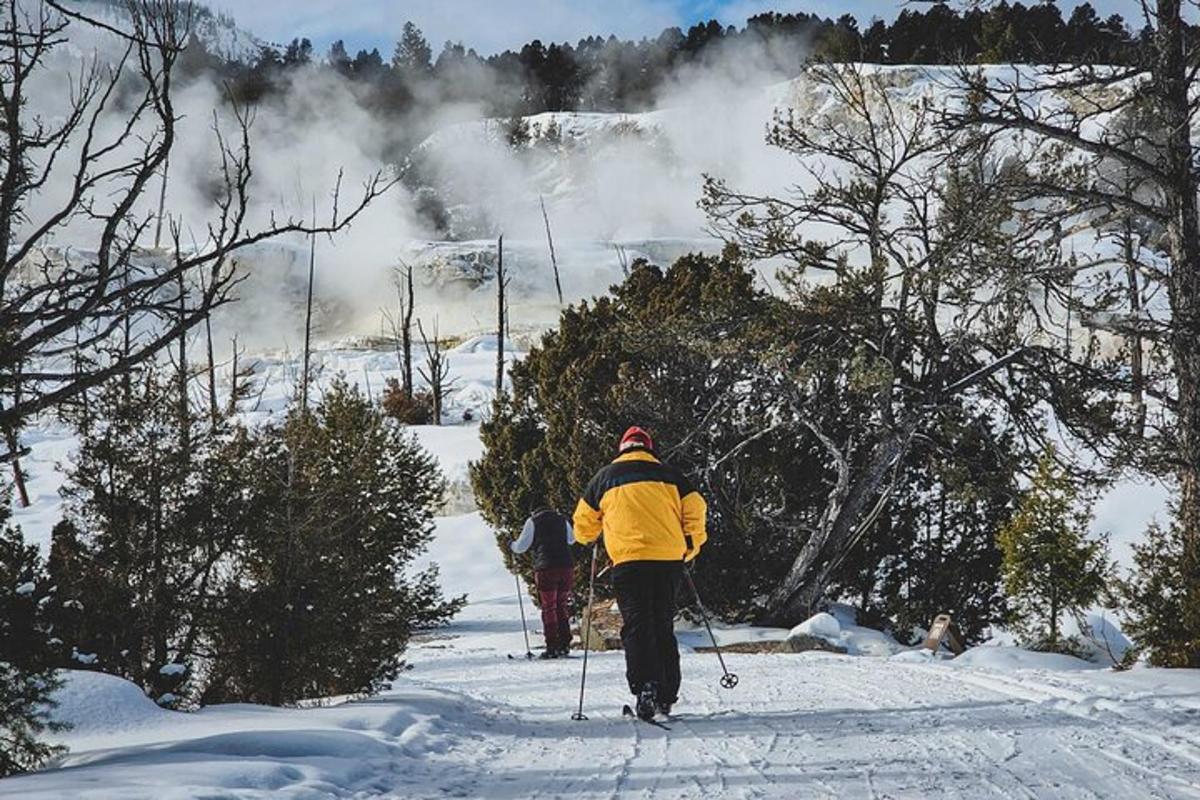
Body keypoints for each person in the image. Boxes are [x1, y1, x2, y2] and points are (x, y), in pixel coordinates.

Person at [572, 426, 707, 720]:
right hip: (668, 561)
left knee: (637, 625)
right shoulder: (672, 476)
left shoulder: (604, 478)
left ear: (622, 448)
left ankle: (645, 686)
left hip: (629, 562)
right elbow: (696, 508)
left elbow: (582, 525)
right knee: (662, 625)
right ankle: (667, 695)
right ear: (649, 448)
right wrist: (689, 545)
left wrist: (593, 534)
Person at [511, 507, 575, 659]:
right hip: (566, 566)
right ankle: (565, 644)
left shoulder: (533, 521)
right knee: (562, 604)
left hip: (545, 568)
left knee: (549, 607)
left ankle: (552, 645)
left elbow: (521, 547)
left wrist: (511, 545)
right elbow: (571, 540)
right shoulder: (562, 519)